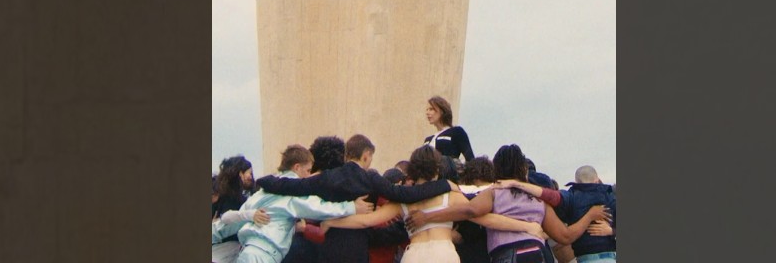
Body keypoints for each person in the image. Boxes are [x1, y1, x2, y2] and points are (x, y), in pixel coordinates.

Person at [319, 146, 547, 263]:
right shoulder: (450, 194)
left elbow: (366, 221)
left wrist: (333, 220)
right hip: (443, 253)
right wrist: (526, 227)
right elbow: (483, 217)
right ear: (437, 169)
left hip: (414, 254)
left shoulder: (405, 199)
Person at [256, 134, 454, 263]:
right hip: (357, 249)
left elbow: (292, 186)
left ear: (346, 155)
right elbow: (404, 194)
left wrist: (263, 180)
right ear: (366, 155)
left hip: (329, 248)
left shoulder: (328, 178)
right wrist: (445, 184)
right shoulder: (370, 178)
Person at [404, 145, 609, 263]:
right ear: (523, 169)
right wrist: (589, 216)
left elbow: (468, 210)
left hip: (508, 255)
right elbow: (565, 236)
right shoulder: (537, 199)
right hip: (537, 254)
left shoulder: (495, 193)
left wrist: (427, 216)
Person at [212, 144, 375, 263]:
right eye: (308, 170)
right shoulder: (293, 192)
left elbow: (229, 224)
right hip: (264, 256)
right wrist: (353, 207)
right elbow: (319, 207)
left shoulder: (260, 193)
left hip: (247, 254)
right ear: (297, 167)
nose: (310, 176)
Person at [494, 166, 615, 263]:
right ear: (597, 179)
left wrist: (517, 184)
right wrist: (611, 231)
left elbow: (548, 195)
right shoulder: (610, 196)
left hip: (584, 258)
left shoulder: (571, 197)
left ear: (576, 181)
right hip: (611, 256)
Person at [214, 156, 260, 263]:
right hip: (230, 248)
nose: (251, 177)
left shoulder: (223, 195)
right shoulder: (233, 199)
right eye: (249, 173)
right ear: (240, 174)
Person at [423, 96, 474, 164]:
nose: (427, 112)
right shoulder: (428, 140)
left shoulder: (456, 132)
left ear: (442, 111)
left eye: (431, 109)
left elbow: (470, 159)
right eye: (427, 109)